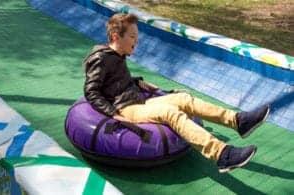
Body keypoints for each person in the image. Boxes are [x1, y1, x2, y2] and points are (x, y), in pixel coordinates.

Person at [83, 13, 270, 173]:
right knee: (170, 113)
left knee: (183, 99)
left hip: (137, 100)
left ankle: (238, 121)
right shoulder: (101, 58)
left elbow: (114, 81)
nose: (136, 40)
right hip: (126, 109)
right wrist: (115, 114)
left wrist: (137, 82)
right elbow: (91, 91)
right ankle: (222, 154)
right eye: (132, 36)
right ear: (116, 37)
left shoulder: (117, 56)